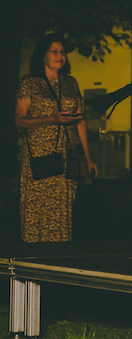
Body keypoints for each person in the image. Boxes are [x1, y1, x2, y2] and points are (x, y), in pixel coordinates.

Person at [14, 34, 97, 242]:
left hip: (67, 154)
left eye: (62, 52)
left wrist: (87, 158)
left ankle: (59, 255)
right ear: (43, 55)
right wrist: (51, 119)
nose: (60, 56)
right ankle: (33, 258)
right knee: (37, 209)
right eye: (54, 51)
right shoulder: (29, 83)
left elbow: (81, 121)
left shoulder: (70, 82)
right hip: (39, 155)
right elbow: (19, 119)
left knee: (63, 209)